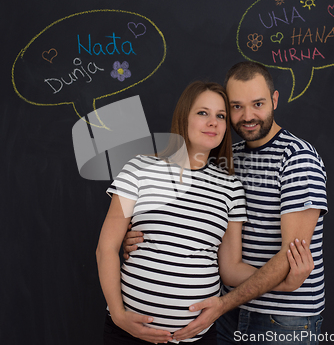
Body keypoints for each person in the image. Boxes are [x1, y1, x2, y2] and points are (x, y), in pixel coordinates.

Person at [96, 81, 314, 345]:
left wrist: (284, 283)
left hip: (197, 336)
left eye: (220, 116)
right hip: (128, 332)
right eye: (203, 113)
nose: (213, 122)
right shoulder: (139, 168)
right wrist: (118, 315)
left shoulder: (230, 187)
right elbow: (107, 248)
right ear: (183, 117)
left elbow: (231, 269)